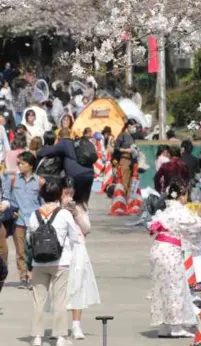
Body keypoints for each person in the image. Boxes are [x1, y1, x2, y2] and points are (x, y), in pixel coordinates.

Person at [149, 182, 201, 338]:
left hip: (157, 249)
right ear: (182, 195)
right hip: (169, 251)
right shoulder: (181, 211)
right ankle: (176, 327)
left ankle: (165, 327)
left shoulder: (166, 210)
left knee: (162, 287)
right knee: (175, 287)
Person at [26, 178, 85, 346]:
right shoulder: (65, 214)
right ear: (59, 194)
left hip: (39, 263)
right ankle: (61, 337)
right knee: (60, 300)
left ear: (42, 195)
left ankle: (36, 337)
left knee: (39, 300)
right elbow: (75, 238)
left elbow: (30, 239)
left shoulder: (34, 214)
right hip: (61, 262)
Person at [63, 178, 99, 341]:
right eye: (66, 193)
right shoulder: (54, 207)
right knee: (61, 288)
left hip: (78, 248)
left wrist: (75, 213)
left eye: (71, 193)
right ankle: (60, 325)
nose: (69, 196)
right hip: (61, 251)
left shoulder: (80, 207)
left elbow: (87, 228)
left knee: (78, 286)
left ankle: (76, 325)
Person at [3, 151, 42, 287]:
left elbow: (42, 202)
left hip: (35, 222)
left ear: (30, 165)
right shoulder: (13, 180)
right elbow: (6, 198)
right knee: (20, 251)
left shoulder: (39, 181)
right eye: (18, 163)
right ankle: (24, 276)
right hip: (18, 220)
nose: (19, 165)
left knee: (33, 250)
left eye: (22, 163)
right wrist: (10, 209)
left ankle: (32, 275)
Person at [34, 127, 95, 205]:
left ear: (59, 138)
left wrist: (37, 151)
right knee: (83, 203)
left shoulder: (64, 143)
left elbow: (47, 151)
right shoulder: (76, 143)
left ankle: (69, 216)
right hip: (90, 174)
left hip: (76, 176)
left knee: (71, 202)